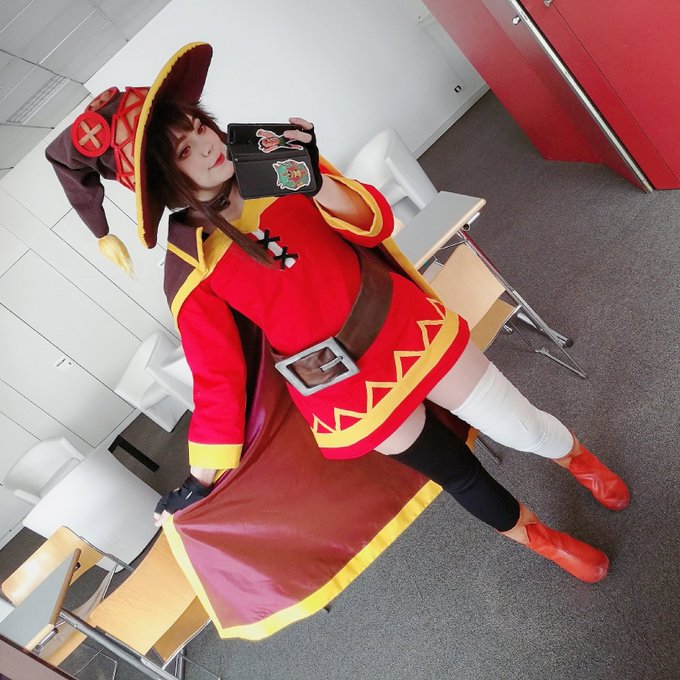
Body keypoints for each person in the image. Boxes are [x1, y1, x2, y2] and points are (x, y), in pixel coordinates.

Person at [47, 43, 629, 587]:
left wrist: (315, 179)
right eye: (183, 150)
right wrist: (197, 482)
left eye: (199, 126)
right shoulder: (188, 265)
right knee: (459, 474)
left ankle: (578, 461)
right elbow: (219, 379)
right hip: (345, 391)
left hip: (405, 329)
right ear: (164, 180)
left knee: (518, 425)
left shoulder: (272, 157)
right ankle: (545, 542)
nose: (206, 145)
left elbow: (374, 222)